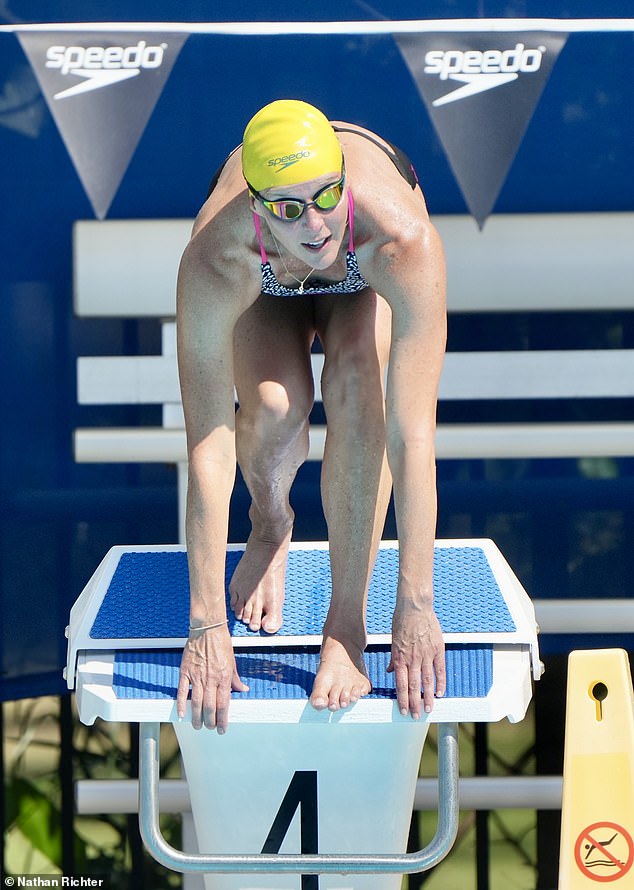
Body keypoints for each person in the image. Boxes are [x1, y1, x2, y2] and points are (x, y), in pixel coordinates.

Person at [176, 99, 447, 733]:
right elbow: (209, 446)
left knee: (356, 380)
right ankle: (270, 522)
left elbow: (412, 435)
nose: (317, 224)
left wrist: (414, 604)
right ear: (258, 205)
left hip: (362, 282)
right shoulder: (218, 257)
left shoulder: (399, 236)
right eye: (292, 208)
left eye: (327, 196)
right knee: (274, 404)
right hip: (267, 281)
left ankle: (345, 624)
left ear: (345, 180)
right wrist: (206, 623)